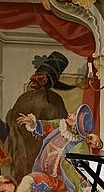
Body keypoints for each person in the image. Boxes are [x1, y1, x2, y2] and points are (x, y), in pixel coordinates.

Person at [5, 51, 73, 184]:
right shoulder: (54, 99)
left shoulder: (25, 98)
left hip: (23, 151)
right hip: (38, 150)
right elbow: (62, 128)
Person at [14, 104, 104, 192]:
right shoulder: (62, 126)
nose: (69, 115)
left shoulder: (80, 146)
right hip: (40, 171)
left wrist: (89, 187)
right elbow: (47, 125)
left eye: (74, 116)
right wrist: (33, 124)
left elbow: (84, 167)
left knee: (28, 180)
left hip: (56, 180)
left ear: (77, 125)